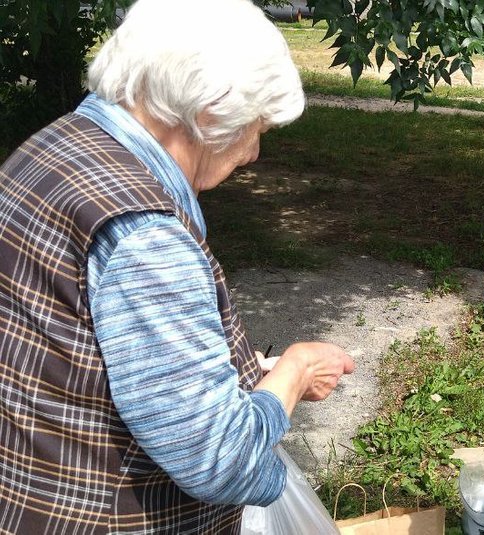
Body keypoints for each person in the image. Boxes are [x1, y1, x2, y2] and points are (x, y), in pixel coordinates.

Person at [0, 0, 354, 532]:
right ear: (209, 110)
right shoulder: (147, 237)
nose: (254, 153)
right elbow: (220, 460)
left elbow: (73, 352)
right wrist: (295, 370)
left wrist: (235, 372)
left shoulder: (51, 149)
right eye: (256, 128)